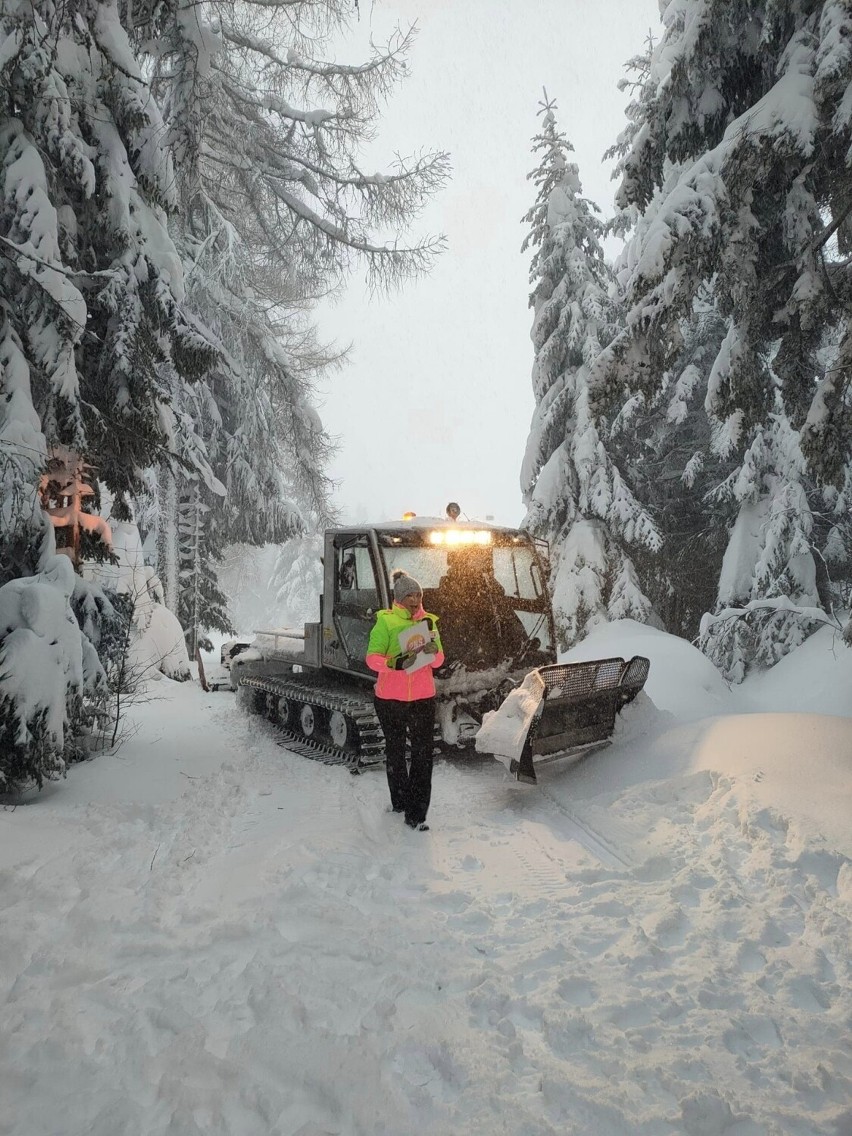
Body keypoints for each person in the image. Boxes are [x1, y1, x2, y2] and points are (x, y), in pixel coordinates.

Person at [365, 569, 444, 831]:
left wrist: (433, 652)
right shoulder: (385, 622)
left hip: (423, 698)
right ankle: (399, 800)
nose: (415, 599)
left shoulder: (429, 622)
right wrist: (394, 663)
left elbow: (440, 660)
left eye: (418, 594)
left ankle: (417, 815)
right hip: (390, 700)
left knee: (423, 755)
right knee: (396, 751)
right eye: (409, 594)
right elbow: (372, 658)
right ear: (399, 598)